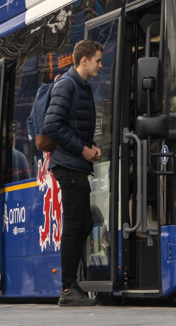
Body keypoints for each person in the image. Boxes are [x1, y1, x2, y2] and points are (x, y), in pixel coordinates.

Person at [43, 39, 103, 307]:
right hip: (68, 165)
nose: (100, 65)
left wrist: (89, 148)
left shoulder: (81, 85)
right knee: (75, 226)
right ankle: (68, 289)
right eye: (97, 60)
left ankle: (72, 285)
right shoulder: (67, 84)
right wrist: (82, 150)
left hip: (75, 163)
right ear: (84, 60)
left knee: (84, 225)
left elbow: (71, 125)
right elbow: (52, 125)